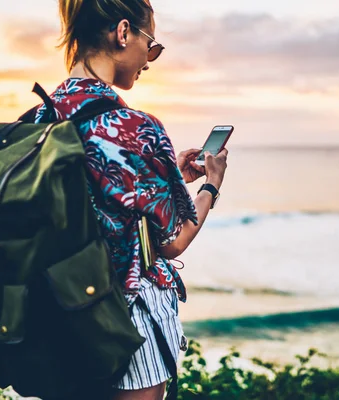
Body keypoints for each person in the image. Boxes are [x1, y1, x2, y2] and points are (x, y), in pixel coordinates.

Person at [40, 1, 229, 399]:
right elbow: (172, 240)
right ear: (123, 32)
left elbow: (99, 197)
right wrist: (210, 186)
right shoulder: (137, 129)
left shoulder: (43, 117)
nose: (150, 59)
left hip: (61, 311)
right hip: (125, 317)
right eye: (152, 45)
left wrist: (168, 173)